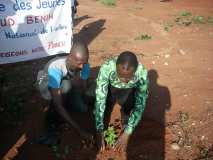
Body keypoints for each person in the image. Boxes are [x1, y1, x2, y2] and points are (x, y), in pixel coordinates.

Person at [36, 41, 92, 145]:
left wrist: (83, 99)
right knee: (64, 90)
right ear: (70, 58)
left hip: (64, 80)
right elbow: (58, 105)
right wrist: (80, 131)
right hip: (46, 81)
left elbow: (84, 86)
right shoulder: (56, 68)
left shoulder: (84, 64)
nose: (81, 66)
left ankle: (66, 104)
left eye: (84, 63)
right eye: (79, 63)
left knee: (81, 108)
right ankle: (50, 126)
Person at [94, 51, 149, 152]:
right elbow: (100, 99)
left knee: (131, 102)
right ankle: (108, 110)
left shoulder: (142, 73)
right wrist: (99, 129)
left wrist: (127, 133)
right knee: (97, 99)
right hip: (111, 89)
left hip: (128, 92)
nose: (124, 81)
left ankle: (126, 117)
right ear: (115, 67)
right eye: (121, 76)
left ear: (135, 70)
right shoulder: (107, 68)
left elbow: (140, 104)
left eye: (128, 77)